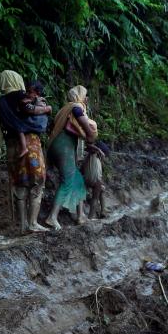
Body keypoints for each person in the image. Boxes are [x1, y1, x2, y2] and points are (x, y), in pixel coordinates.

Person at [0, 70, 51, 233]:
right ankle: (33, 223)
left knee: (19, 183)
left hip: (11, 146)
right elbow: (32, 113)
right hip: (30, 144)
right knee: (37, 182)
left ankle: (22, 225)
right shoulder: (21, 96)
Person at [45, 85, 98, 229]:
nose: (86, 99)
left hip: (58, 145)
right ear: (80, 96)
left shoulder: (64, 109)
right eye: (85, 95)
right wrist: (90, 134)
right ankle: (52, 217)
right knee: (67, 180)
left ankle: (81, 216)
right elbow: (79, 117)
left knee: (78, 179)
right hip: (63, 145)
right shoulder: (76, 107)